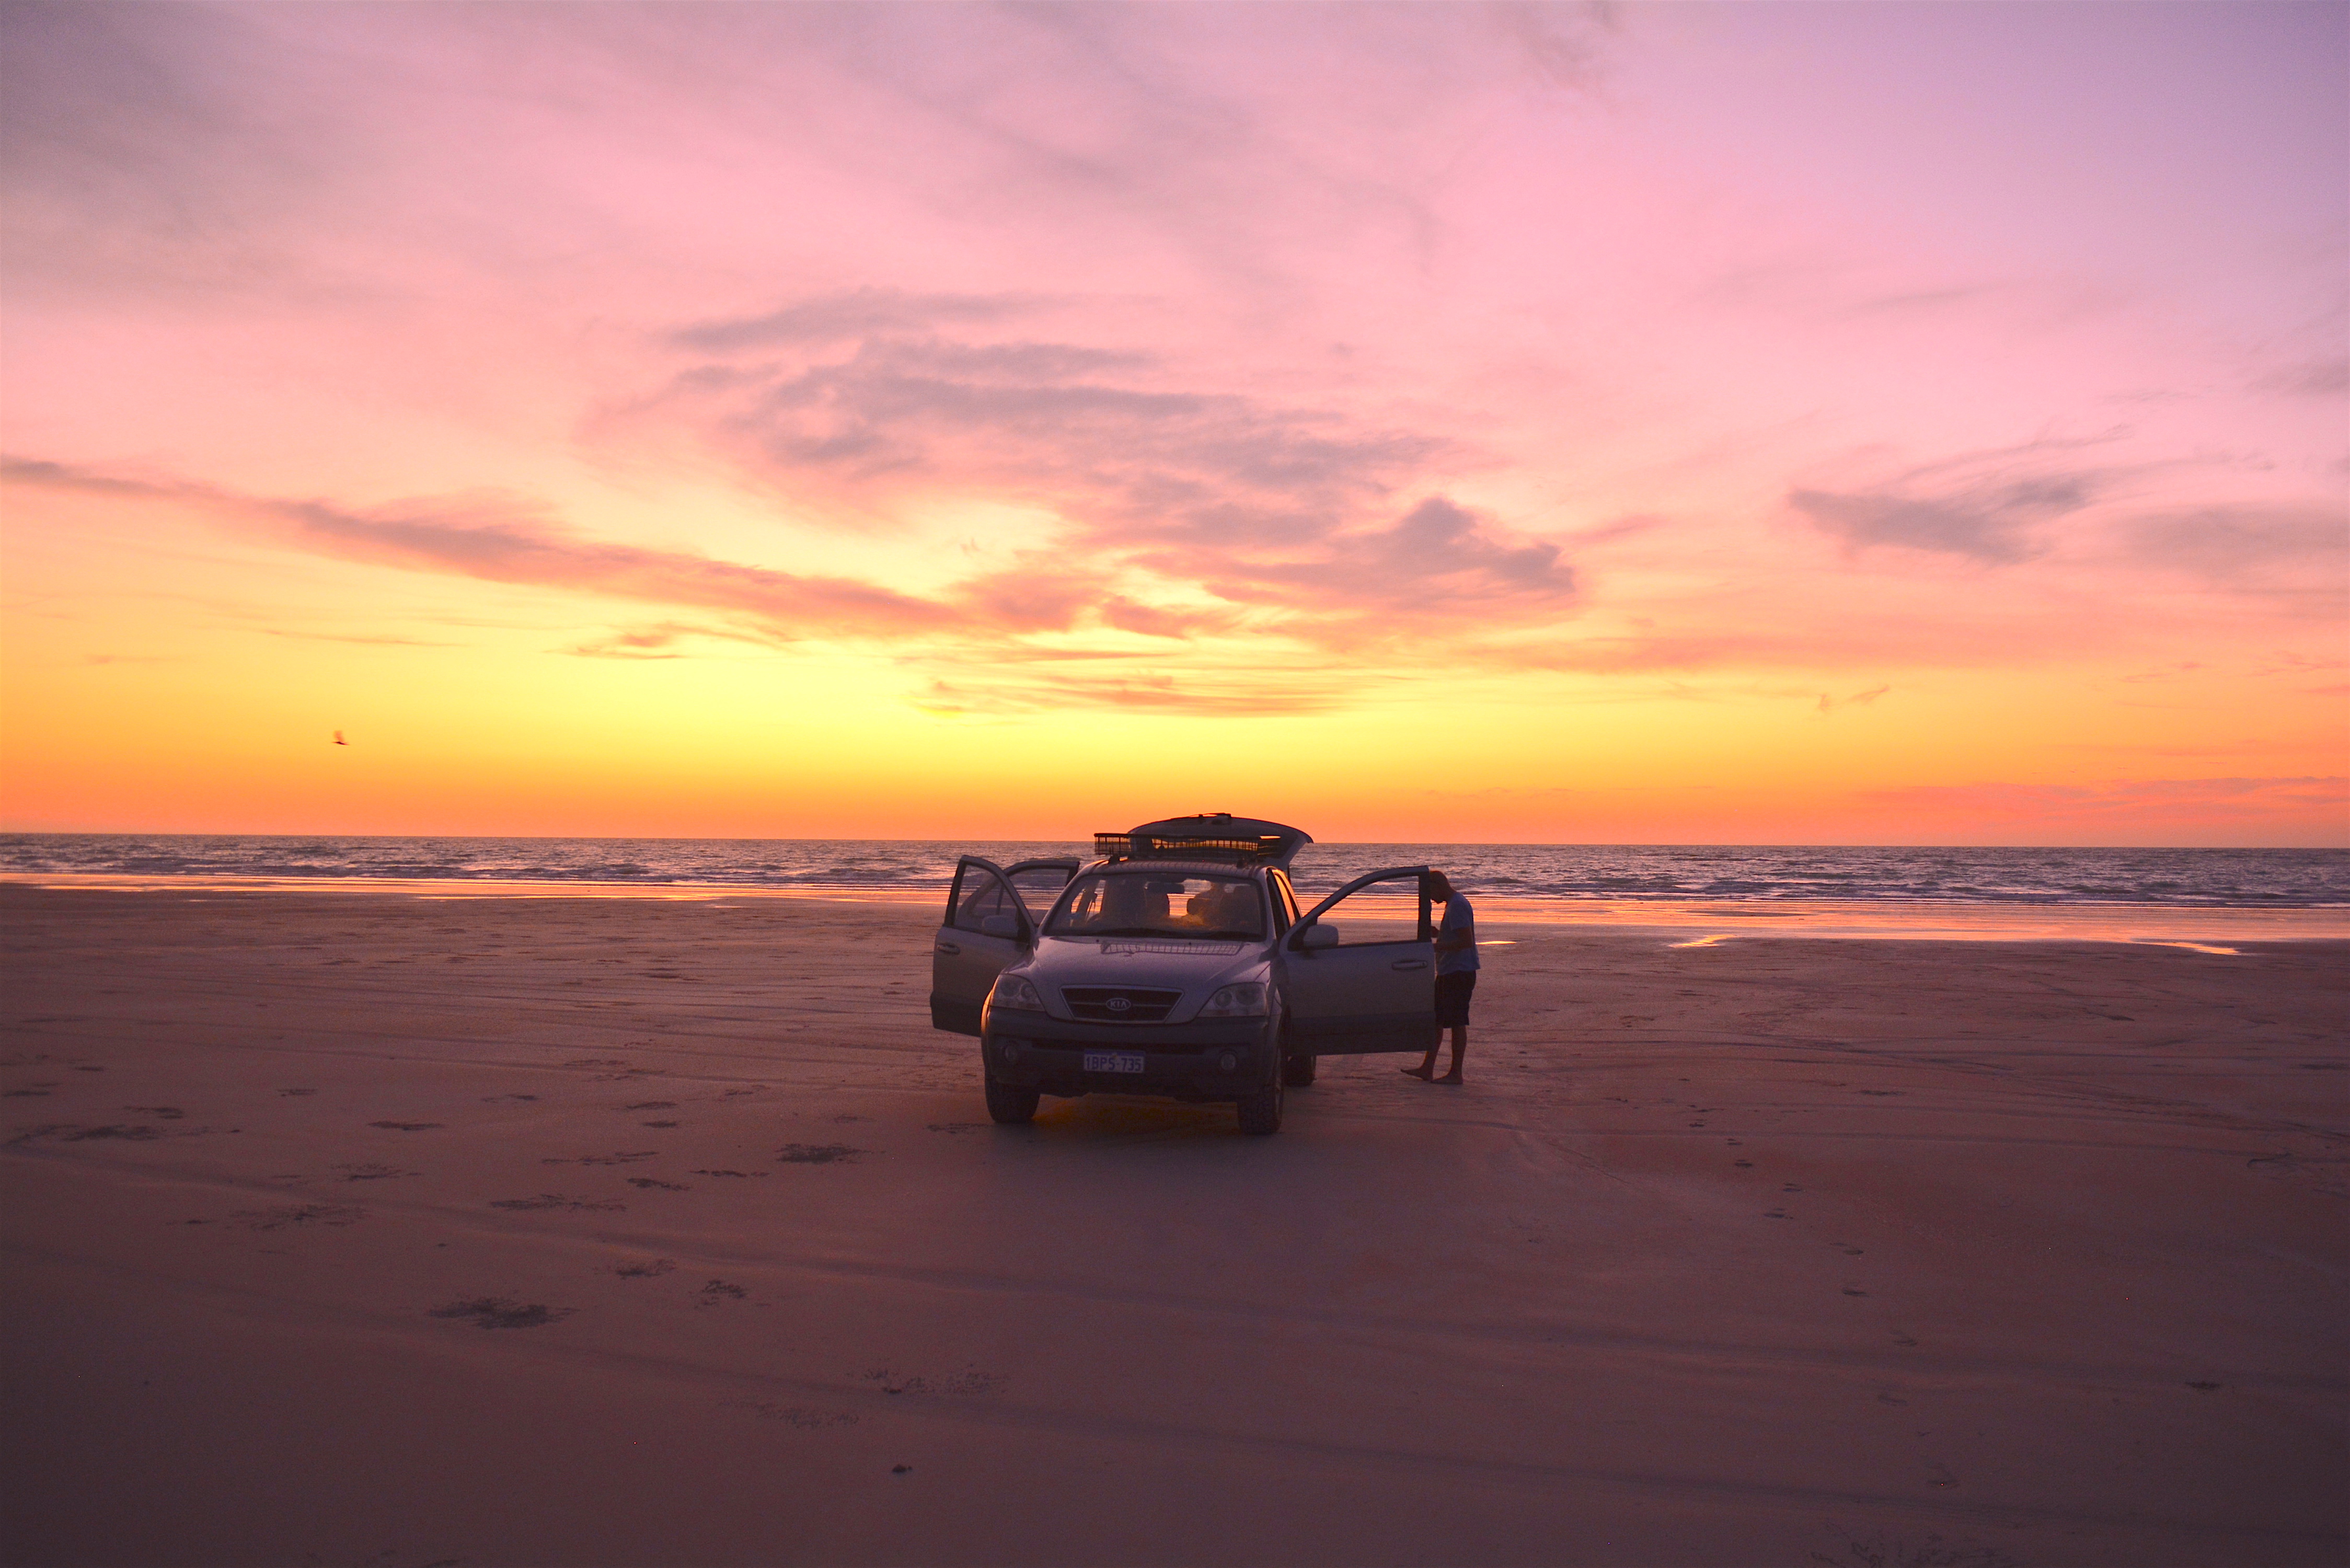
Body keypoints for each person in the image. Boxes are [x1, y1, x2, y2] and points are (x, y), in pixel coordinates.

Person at [1403, 870, 1476, 1085]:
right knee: (1438, 1020)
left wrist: (1435, 947)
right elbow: (1455, 935)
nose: (1430, 899)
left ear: (1438, 886)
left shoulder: (1458, 905)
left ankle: (1456, 1073)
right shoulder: (1453, 905)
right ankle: (1428, 1068)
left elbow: (1466, 942)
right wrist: (1438, 934)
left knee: (1457, 1023)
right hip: (1448, 970)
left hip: (1459, 971)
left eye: (1429, 893)